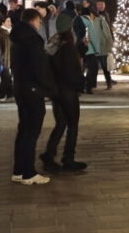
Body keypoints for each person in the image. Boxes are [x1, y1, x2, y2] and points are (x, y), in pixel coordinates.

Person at [10, 8, 58, 185]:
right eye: (39, 21)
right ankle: (28, 172)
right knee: (32, 131)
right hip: (33, 90)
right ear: (34, 20)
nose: (40, 25)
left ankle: (19, 170)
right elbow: (39, 67)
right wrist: (49, 88)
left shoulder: (17, 38)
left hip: (21, 89)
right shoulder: (32, 40)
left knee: (23, 129)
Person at [40, 12, 87, 173]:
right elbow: (71, 71)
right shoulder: (67, 47)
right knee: (72, 124)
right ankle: (68, 158)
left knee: (60, 124)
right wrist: (81, 84)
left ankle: (49, 154)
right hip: (68, 91)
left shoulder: (54, 44)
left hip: (56, 92)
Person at [79, 7, 100, 93]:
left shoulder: (76, 20)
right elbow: (93, 37)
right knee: (93, 67)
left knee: (81, 68)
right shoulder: (88, 22)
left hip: (78, 48)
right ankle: (88, 86)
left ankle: (80, 86)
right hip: (89, 49)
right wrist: (96, 49)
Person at [95, 5, 116, 89]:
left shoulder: (101, 20)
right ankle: (93, 84)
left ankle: (109, 83)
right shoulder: (90, 22)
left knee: (104, 67)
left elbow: (107, 33)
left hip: (102, 47)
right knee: (94, 68)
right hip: (95, 47)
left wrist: (110, 45)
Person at [0, 17, 13, 101]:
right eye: (8, 21)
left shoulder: (12, 31)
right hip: (4, 58)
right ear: (3, 23)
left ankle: (10, 94)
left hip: (13, 57)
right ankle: (1, 95)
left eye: (10, 21)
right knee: (6, 77)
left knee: (9, 77)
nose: (10, 22)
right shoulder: (0, 33)